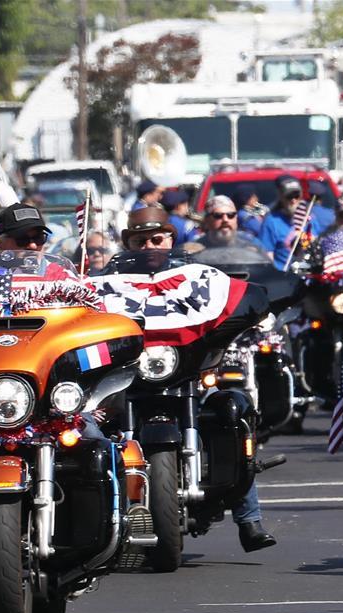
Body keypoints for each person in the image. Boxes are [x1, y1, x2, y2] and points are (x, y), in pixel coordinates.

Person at [118, 205, 277, 552]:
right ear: (128, 243)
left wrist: (248, 311)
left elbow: (228, 298)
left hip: (187, 372)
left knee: (235, 413)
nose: (149, 246)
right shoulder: (106, 281)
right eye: (141, 240)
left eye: (157, 239)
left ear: (170, 239)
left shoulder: (197, 276)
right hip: (132, 379)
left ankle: (249, 520)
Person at [258, 175, 326, 269]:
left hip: (310, 274)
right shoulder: (271, 222)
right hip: (285, 276)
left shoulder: (310, 218)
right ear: (281, 197)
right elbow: (267, 255)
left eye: (296, 196)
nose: (293, 200)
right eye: (289, 196)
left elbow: (320, 245)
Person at [196, 195, 265, 251]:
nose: (225, 220)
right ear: (207, 221)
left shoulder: (252, 243)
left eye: (231, 215)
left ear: (236, 219)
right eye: (218, 215)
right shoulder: (196, 247)